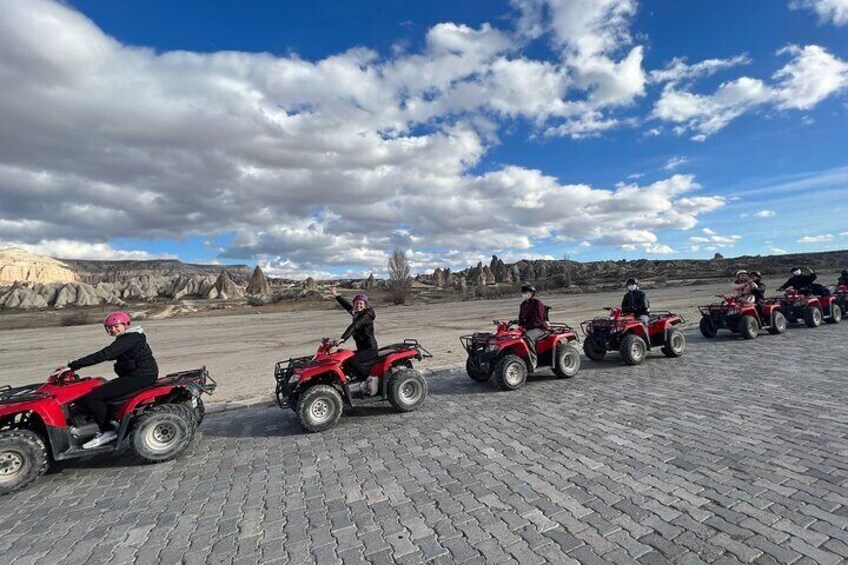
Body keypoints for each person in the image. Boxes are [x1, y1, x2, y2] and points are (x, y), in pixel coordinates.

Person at [67, 312, 159, 449]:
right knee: (100, 389)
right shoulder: (129, 338)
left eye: (116, 326)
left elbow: (105, 354)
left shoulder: (130, 338)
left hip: (141, 376)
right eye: (109, 328)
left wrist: (75, 365)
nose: (113, 330)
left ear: (126, 325)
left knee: (94, 397)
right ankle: (110, 422)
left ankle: (107, 431)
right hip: (141, 374)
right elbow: (111, 354)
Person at [332, 288, 379, 396]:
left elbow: (354, 326)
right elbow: (346, 306)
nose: (358, 305)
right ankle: (353, 382)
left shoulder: (366, 314)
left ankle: (370, 379)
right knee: (342, 357)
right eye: (356, 303)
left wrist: (343, 338)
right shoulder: (356, 312)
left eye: (361, 304)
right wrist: (336, 296)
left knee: (351, 359)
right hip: (362, 348)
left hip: (370, 349)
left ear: (365, 305)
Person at [518, 284, 548, 369]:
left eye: (526, 292)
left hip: (539, 328)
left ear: (532, 293)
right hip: (527, 327)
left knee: (527, 336)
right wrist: (519, 324)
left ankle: (533, 360)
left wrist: (525, 327)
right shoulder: (523, 304)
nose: (524, 294)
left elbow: (537, 320)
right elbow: (520, 318)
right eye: (523, 292)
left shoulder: (537, 303)